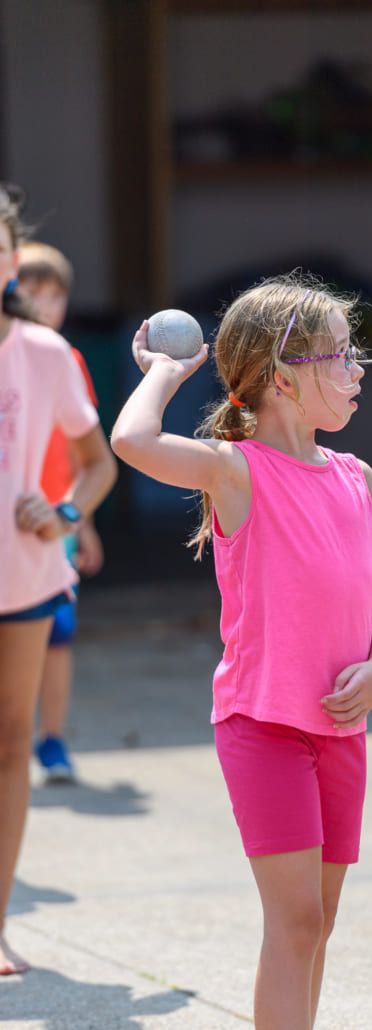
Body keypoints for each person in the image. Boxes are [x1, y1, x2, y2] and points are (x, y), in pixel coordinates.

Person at [111, 274, 372, 1029]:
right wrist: (168, 373)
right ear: (282, 379)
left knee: (321, 924)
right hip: (264, 726)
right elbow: (131, 441)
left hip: (343, 728)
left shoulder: (356, 477)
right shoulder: (235, 469)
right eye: (339, 356)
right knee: (297, 923)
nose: (357, 371)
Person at [0, 183, 117, 975]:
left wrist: (66, 517)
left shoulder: (43, 351)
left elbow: (96, 461)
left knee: (11, 745)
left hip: (27, 578)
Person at [17, 241, 105, 783]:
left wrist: (82, 520)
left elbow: (87, 454)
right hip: (13, 522)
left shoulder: (65, 360)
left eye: (57, 295)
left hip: (57, 523)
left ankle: (52, 740)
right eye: (34, 292)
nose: (47, 305)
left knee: (58, 634)